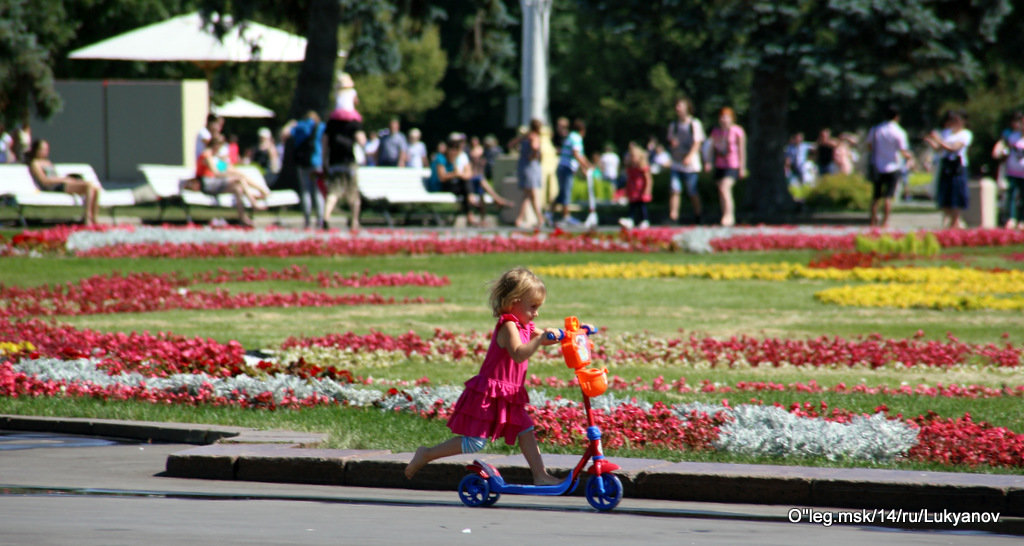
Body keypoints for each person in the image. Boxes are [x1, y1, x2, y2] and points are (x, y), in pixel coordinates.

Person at [404, 267, 561, 484]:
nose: (536, 313)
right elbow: (518, 354)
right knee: (475, 443)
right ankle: (427, 454)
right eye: (533, 307)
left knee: (525, 429)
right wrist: (540, 337)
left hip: (509, 393)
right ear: (514, 302)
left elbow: (544, 338)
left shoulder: (525, 324)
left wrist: (571, 333)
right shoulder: (508, 326)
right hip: (490, 393)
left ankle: (540, 475)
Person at [191, 134, 269, 227]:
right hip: (208, 184)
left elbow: (226, 168)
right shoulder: (207, 155)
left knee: (237, 188)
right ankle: (254, 201)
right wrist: (233, 175)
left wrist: (236, 172)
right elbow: (216, 173)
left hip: (215, 183)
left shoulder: (214, 157)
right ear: (215, 145)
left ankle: (243, 218)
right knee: (238, 179)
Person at [26, 139, 101, 226]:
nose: (45, 152)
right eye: (43, 149)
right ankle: (87, 218)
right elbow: (44, 181)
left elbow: (55, 177)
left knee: (95, 188)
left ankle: (94, 217)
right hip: (54, 187)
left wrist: (67, 179)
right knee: (88, 186)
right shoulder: (35, 163)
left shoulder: (47, 162)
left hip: (61, 183)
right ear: (36, 150)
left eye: (46, 149)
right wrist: (64, 179)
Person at [866, 105, 914, 227]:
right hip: (893, 165)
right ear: (897, 117)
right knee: (888, 196)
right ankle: (885, 221)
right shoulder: (899, 132)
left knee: (876, 196)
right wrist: (910, 158)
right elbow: (903, 150)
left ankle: (872, 220)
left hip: (877, 165)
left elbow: (869, 146)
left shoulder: (876, 129)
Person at [924, 110, 972, 229]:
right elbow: (940, 149)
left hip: (957, 166)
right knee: (945, 195)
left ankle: (956, 222)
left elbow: (954, 148)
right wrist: (932, 142)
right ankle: (950, 220)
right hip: (946, 165)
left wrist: (939, 140)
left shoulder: (965, 134)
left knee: (956, 195)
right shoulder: (948, 133)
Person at [322, 108, 363, 230]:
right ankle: (355, 221)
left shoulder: (331, 124)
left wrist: (324, 161)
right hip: (349, 162)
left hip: (334, 162)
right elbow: (362, 141)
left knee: (334, 192)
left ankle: (326, 217)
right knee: (353, 193)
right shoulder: (354, 123)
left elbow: (324, 143)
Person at [667, 97, 706, 224]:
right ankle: (673, 216)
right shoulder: (673, 125)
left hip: (690, 164)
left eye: (680, 106)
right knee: (674, 189)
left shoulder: (694, 124)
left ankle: (698, 214)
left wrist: (689, 156)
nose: (678, 108)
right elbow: (670, 141)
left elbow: (697, 142)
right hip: (677, 162)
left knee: (692, 190)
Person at [706, 106, 746, 227]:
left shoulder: (737, 131)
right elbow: (711, 148)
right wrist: (708, 162)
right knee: (721, 191)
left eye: (726, 117)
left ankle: (729, 215)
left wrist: (742, 168)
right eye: (722, 117)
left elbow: (741, 150)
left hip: (732, 164)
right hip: (720, 164)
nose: (724, 119)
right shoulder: (716, 132)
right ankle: (725, 214)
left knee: (725, 188)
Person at [291, 111, 327, 229]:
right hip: (317, 161)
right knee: (318, 191)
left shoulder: (299, 126)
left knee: (305, 191)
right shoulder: (320, 126)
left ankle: (307, 221)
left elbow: (286, 134)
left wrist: (291, 124)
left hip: (302, 163)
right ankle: (320, 220)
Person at [554, 118, 591, 226]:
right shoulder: (576, 137)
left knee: (562, 193)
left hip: (563, 167)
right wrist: (586, 166)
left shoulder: (571, 136)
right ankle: (566, 216)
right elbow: (576, 154)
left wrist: (586, 166)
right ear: (582, 130)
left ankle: (549, 213)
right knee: (566, 192)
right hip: (566, 168)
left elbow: (581, 155)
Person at [992, 111, 1024, 229]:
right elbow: (1002, 146)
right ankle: (1011, 218)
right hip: (1013, 171)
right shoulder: (1012, 136)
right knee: (1012, 195)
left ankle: (1022, 220)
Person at [512, 120, 545, 228]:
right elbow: (535, 147)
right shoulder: (534, 137)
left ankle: (538, 218)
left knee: (528, 194)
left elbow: (511, 144)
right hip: (531, 167)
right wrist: (534, 155)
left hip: (523, 166)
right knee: (530, 194)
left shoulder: (525, 136)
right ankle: (535, 219)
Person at [619, 143, 653, 229]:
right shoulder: (631, 167)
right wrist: (626, 191)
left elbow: (648, 179)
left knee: (642, 206)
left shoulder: (642, 167)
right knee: (632, 205)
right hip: (633, 190)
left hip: (641, 190)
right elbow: (629, 180)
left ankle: (645, 220)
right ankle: (630, 219)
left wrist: (647, 190)